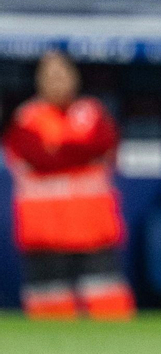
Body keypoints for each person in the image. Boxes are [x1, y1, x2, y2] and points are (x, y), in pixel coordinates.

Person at [3, 51, 135, 320]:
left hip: (91, 227)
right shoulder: (27, 118)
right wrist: (75, 151)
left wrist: (58, 149)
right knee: (50, 302)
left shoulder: (93, 112)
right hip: (45, 230)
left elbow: (101, 144)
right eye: (50, 76)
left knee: (106, 299)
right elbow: (37, 156)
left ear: (75, 78)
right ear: (39, 81)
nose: (57, 81)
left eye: (62, 74)